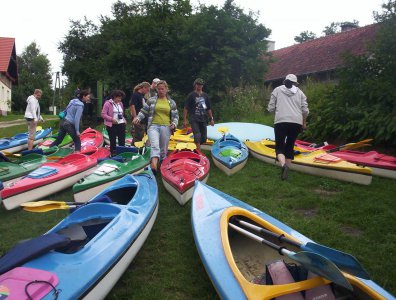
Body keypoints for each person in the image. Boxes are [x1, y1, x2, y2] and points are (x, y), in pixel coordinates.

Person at [267, 74, 309, 180]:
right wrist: (304, 123)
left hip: (281, 121)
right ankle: (287, 172)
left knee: (280, 146)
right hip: (296, 122)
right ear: (295, 83)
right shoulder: (300, 93)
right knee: (290, 146)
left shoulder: (277, 90)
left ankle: (283, 166)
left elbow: (270, 108)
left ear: (285, 81)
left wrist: (277, 112)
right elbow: (305, 110)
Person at [133, 80, 178, 173]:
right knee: (155, 146)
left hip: (166, 127)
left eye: (162, 89)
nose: (161, 91)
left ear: (166, 89)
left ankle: (162, 165)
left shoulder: (171, 102)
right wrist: (138, 118)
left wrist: (174, 124)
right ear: (157, 90)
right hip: (153, 126)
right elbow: (144, 111)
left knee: (163, 150)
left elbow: (176, 116)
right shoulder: (151, 100)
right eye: (159, 89)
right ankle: (154, 166)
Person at [183, 78, 214, 150]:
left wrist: (211, 119)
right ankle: (199, 152)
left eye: (201, 85)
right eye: (198, 84)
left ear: (202, 86)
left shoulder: (205, 96)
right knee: (197, 135)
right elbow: (186, 108)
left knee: (204, 138)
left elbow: (208, 108)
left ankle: (196, 148)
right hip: (194, 118)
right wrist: (184, 120)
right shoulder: (191, 95)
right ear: (195, 85)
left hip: (203, 118)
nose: (199, 86)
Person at [102, 90, 127, 155]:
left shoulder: (120, 103)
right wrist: (111, 119)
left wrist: (124, 119)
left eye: (121, 98)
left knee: (122, 140)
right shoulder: (107, 103)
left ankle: (122, 153)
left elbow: (121, 114)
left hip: (121, 124)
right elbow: (103, 114)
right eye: (118, 98)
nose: (120, 99)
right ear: (114, 97)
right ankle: (113, 153)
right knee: (112, 140)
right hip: (112, 125)